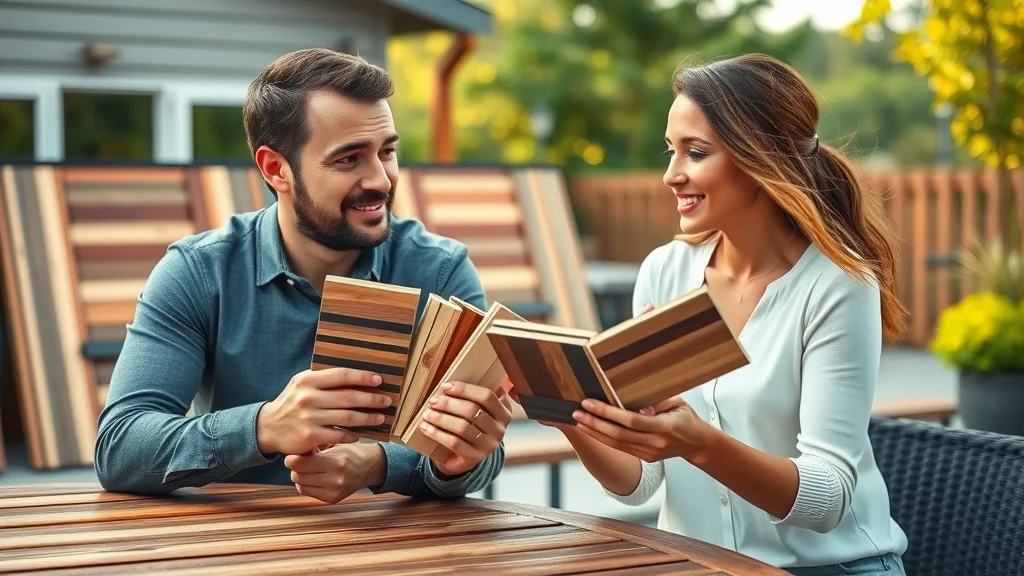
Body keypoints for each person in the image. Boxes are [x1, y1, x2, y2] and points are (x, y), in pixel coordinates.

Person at [542, 54, 910, 575]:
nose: (671, 175)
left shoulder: (837, 285)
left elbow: (827, 499)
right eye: (670, 151)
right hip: (700, 566)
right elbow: (640, 482)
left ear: (762, 161)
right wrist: (569, 416)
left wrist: (701, 445)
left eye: (696, 152)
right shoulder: (665, 273)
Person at [94, 48, 510, 504]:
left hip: (395, 546)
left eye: (386, 151)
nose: (382, 180)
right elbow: (121, 447)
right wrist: (265, 426)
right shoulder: (199, 271)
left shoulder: (439, 269)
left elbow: (477, 456)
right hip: (236, 543)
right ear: (277, 169)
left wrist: (377, 463)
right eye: (349, 159)